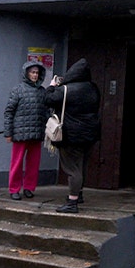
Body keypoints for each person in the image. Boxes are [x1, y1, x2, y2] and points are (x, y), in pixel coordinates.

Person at [44, 58, 101, 213]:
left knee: (72, 169)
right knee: (82, 165)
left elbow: (48, 100)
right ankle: (79, 194)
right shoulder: (93, 88)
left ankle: (72, 203)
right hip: (90, 134)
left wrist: (51, 87)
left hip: (71, 135)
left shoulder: (65, 90)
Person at [3, 61, 49, 200]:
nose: (35, 75)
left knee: (33, 164)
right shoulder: (17, 90)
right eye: (32, 72)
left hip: (36, 133)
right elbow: (9, 112)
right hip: (20, 133)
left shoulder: (42, 92)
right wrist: (8, 133)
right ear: (26, 73)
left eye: (37, 73)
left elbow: (46, 112)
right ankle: (14, 189)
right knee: (16, 163)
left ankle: (29, 188)